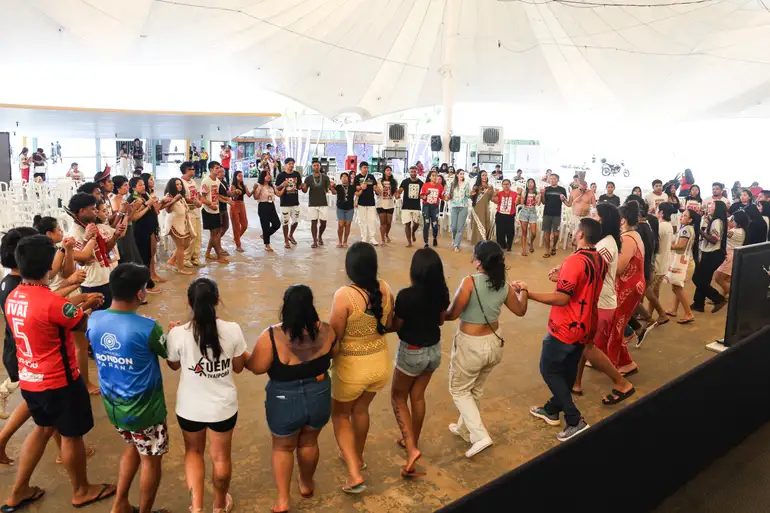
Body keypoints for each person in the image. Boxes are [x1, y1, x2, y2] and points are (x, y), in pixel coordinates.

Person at [2, 235, 114, 512]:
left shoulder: (15, 296)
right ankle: (81, 490)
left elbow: (53, 312)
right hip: (59, 380)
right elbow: (77, 324)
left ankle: (18, 491)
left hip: (31, 378)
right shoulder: (51, 303)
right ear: (48, 266)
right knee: (71, 435)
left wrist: (79, 300)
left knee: (41, 429)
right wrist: (88, 305)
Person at [84, 262, 171, 513]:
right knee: (151, 461)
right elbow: (171, 358)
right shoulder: (147, 328)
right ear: (140, 294)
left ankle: (119, 504)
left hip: (114, 407)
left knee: (132, 446)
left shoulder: (95, 319)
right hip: (145, 411)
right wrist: (173, 334)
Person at [247, 285, 335, 512]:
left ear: (285, 307)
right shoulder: (328, 331)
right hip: (319, 393)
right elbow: (334, 353)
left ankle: (283, 501)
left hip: (284, 398)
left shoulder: (271, 336)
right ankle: (306, 484)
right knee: (309, 442)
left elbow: (257, 367)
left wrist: (244, 356)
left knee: (283, 448)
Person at [167, 278, 247, 513]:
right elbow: (240, 366)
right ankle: (220, 505)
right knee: (221, 458)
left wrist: (171, 333)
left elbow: (172, 365)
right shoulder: (232, 330)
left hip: (189, 408)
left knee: (193, 453)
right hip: (223, 408)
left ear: (188, 303)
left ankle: (197, 506)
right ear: (217, 300)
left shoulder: (178, 333)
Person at [525, 218, 607, 441]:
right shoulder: (600, 259)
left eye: (575, 230)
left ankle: (574, 418)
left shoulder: (574, 261)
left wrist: (529, 294)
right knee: (568, 371)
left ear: (581, 234)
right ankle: (552, 410)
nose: (572, 233)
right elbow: (582, 287)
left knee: (549, 369)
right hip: (587, 325)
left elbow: (562, 298)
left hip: (566, 327)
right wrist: (561, 276)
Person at [443, 241, 527, 457]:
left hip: (471, 346)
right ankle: (464, 428)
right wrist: (524, 290)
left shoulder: (469, 282)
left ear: (479, 261)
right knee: (475, 390)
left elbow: (452, 314)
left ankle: (480, 436)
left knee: (459, 390)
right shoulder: (503, 283)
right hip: (494, 343)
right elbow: (520, 310)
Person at [328, 242, 394, 493]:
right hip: (380, 363)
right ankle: (357, 456)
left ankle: (354, 473)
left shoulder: (344, 295)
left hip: (351, 368)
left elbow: (334, 338)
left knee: (341, 415)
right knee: (361, 410)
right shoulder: (385, 288)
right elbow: (387, 324)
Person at [389, 248, 449, 475]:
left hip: (411, 352)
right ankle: (411, 441)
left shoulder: (406, 296)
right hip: (433, 351)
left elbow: (396, 326)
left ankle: (412, 448)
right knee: (417, 396)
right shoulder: (441, 293)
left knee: (398, 397)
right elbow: (441, 321)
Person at [571, 204, 636, 404]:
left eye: (594, 215)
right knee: (584, 345)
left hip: (601, 302)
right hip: (599, 300)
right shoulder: (605, 241)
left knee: (588, 348)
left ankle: (621, 382)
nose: (591, 218)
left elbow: (590, 271)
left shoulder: (605, 244)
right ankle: (576, 382)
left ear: (603, 220)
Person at [0, 228, 39, 462]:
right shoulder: (18, 287)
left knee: (37, 405)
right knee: (44, 409)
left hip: (16, 350)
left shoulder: (10, 281)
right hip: (23, 353)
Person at [595, 201, 645, 375]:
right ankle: (619, 360)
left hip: (628, 285)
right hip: (631, 284)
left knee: (617, 325)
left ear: (622, 221)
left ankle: (618, 363)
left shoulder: (628, 238)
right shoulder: (633, 235)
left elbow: (619, 268)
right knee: (617, 323)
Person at [68, 192, 124, 310]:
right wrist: (86, 238)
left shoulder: (92, 225)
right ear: (82, 210)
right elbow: (81, 261)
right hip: (93, 282)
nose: (96, 212)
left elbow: (105, 250)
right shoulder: (75, 232)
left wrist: (115, 236)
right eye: (93, 209)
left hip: (106, 277)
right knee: (97, 318)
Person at [692, 200, 728, 313]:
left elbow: (714, 239)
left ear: (717, 208)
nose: (709, 206)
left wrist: (700, 232)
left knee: (697, 278)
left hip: (713, 253)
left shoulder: (717, 221)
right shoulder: (714, 220)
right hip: (711, 252)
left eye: (712, 205)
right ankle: (698, 303)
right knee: (704, 279)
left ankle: (718, 299)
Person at [130, 176, 161, 293]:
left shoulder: (145, 195)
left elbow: (155, 210)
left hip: (149, 229)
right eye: (140, 185)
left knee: (149, 256)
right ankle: (146, 285)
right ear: (133, 188)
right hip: (140, 231)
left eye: (143, 184)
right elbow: (134, 217)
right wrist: (147, 205)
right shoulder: (133, 199)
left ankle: (149, 282)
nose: (143, 186)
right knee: (143, 258)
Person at [162, 177, 193, 275]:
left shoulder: (180, 196)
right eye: (177, 184)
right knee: (181, 246)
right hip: (173, 223)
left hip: (181, 223)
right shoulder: (169, 196)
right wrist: (175, 199)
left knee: (186, 243)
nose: (179, 186)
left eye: (180, 184)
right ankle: (180, 268)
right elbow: (167, 210)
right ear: (172, 186)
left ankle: (171, 261)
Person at [111, 176, 143, 265]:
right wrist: (135, 208)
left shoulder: (123, 198)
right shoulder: (116, 200)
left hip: (129, 229)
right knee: (128, 257)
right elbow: (121, 219)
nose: (127, 187)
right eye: (125, 185)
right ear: (118, 188)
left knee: (133, 256)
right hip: (123, 230)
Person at [715, 210, 748, 297]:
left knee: (718, 278)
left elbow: (723, 235)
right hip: (734, 255)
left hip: (730, 256)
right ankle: (722, 297)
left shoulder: (734, 231)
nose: (731, 220)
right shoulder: (742, 230)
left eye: (733, 219)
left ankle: (735, 298)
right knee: (727, 279)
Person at [140, 173, 166, 287]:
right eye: (150, 179)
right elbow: (154, 209)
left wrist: (163, 201)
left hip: (153, 223)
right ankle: (151, 274)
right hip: (147, 226)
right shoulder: (144, 196)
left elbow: (157, 210)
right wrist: (161, 201)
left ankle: (153, 272)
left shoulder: (149, 194)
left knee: (153, 251)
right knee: (150, 252)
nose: (152, 181)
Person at [200, 161, 228, 264]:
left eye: (219, 167)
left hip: (216, 210)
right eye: (216, 168)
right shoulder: (206, 181)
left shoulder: (217, 181)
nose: (219, 169)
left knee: (215, 234)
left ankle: (208, 253)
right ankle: (219, 256)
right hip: (208, 211)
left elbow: (218, 195)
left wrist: (227, 200)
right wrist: (210, 204)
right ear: (211, 169)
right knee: (215, 234)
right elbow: (202, 198)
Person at [302, 161, 332, 248]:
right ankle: (315, 241)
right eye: (314, 165)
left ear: (320, 167)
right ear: (312, 167)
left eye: (317, 165)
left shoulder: (326, 178)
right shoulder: (308, 178)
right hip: (312, 203)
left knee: (323, 223)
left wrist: (332, 188)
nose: (316, 167)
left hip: (323, 202)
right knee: (314, 222)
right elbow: (305, 190)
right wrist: (302, 187)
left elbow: (328, 190)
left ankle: (320, 236)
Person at [179, 161, 203, 267]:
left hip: (196, 212)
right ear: (185, 170)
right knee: (190, 237)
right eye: (191, 169)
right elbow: (181, 197)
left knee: (198, 236)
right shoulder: (180, 182)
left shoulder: (193, 181)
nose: (193, 171)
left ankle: (195, 257)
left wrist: (199, 200)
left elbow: (197, 194)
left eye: (194, 169)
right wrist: (193, 201)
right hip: (188, 213)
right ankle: (185, 258)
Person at [275, 158, 302, 249]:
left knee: (295, 221)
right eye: (289, 164)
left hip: (295, 202)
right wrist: (282, 185)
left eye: (292, 164)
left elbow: (299, 186)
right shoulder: (281, 175)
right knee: (285, 222)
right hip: (285, 203)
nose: (291, 165)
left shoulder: (297, 174)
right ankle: (286, 240)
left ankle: (291, 234)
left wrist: (302, 186)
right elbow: (277, 189)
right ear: (285, 165)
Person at [541, 173, 568, 258]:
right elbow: (543, 202)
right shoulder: (546, 189)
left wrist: (563, 199)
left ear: (558, 180)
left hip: (557, 214)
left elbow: (565, 201)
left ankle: (554, 246)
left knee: (556, 234)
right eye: (551, 178)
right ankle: (547, 250)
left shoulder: (562, 189)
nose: (552, 180)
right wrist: (542, 194)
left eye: (554, 178)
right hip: (547, 213)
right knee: (546, 233)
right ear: (549, 179)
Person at [254, 167, 281, 252]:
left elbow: (279, 194)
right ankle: (267, 245)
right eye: (267, 174)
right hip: (263, 206)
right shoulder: (259, 185)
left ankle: (265, 235)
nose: (269, 176)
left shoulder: (271, 186)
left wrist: (284, 186)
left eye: (269, 174)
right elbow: (255, 197)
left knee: (277, 224)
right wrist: (256, 190)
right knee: (265, 226)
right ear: (263, 176)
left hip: (271, 206)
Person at [353, 162, 380, 246]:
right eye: (364, 167)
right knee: (362, 221)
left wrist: (377, 189)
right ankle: (364, 237)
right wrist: (361, 187)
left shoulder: (371, 177)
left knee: (372, 220)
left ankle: (372, 238)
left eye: (367, 167)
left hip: (371, 202)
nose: (366, 169)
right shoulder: (357, 177)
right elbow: (355, 188)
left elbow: (375, 186)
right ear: (360, 168)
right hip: (361, 202)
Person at [446, 169, 472, 252]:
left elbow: (468, 195)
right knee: (453, 227)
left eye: (463, 174)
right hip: (454, 207)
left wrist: (472, 194)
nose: (462, 175)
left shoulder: (466, 184)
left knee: (460, 228)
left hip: (463, 207)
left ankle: (456, 245)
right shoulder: (452, 184)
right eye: (460, 174)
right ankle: (454, 240)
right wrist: (446, 196)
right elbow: (449, 195)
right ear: (457, 175)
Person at [398, 166, 424, 248]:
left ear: (417, 172)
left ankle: (413, 232)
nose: (413, 173)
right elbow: (400, 190)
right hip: (406, 206)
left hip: (416, 206)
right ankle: (409, 242)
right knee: (407, 224)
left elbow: (422, 194)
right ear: (409, 172)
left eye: (414, 171)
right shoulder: (405, 181)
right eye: (411, 171)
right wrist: (397, 192)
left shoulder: (420, 183)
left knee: (416, 223)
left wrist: (425, 195)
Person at [491, 179, 517, 252]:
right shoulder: (499, 193)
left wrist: (520, 196)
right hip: (500, 215)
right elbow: (493, 200)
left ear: (510, 185)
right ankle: (501, 245)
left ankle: (509, 245)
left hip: (510, 215)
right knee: (500, 232)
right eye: (504, 184)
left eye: (507, 184)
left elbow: (517, 203)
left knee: (510, 232)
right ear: (502, 185)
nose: (506, 185)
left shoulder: (514, 193)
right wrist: (494, 194)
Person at [420, 170, 443, 248]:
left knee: (435, 224)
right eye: (433, 175)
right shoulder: (425, 185)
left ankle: (434, 237)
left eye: (436, 175)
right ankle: (426, 242)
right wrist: (426, 194)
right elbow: (421, 196)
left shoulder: (440, 186)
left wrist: (446, 197)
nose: (434, 177)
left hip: (435, 207)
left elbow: (441, 196)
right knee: (426, 224)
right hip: (426, 206)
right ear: (429, 177)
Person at [332, 171, 356, 248]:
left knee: (348, 225)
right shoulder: (338, 186)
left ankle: (345, 241)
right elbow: (334, 192)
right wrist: (331, 187)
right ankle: (339, 241)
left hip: (350, 208)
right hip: (340, 208)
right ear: (340, 179)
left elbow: (358, 193)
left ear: (348, 178)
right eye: (343, 177)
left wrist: (362, 188)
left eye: (346, 177)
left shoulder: (352, 187)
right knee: (341, 225)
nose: (344, 178)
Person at [229, 170, 251, 252]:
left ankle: (236, 238)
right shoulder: (233, 186)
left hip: (242, 205)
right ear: (235, 177)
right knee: (236, 227)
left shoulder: (244, 185)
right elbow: (233, 198)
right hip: (234, 205)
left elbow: (249, 195)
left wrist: (254, 189)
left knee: (245, 225)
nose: (241, 177)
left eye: (242, 176)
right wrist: (236, 193)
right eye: (239, 176)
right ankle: (238, 245)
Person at [517, 178, 540, 256]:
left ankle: (531, 242)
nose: (530, 184)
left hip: (533, 212)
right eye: (529, 182)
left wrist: (537, 200)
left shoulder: (537, 193)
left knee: (534, 233)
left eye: (532, 182)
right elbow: (521, 203)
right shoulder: (524, 192)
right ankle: (524, 250)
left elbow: (539, 203)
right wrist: (520, 195)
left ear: (534, 184)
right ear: (527, 184)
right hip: (524, 212)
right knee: (524, 232)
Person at [376, 166, 398, 245]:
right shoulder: (379, 181)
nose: (389, 172)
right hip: (380, 204)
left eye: (390, 170)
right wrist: (376, 190)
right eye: (387, 170)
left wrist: (397, 194)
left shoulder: (394, 182)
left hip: (390, 204)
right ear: (384, 171)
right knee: (383, 223)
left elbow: (396, 193)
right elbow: (376, 191)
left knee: (389, 222)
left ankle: (386, 234)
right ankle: (382, 239)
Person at [470, 171, 494, 244]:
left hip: (486, 208)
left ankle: (484, 243)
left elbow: (491, 198)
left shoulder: (490, 187)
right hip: (477, 208)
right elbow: (472, 197)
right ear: (480, 176)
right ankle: (477, 243)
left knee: (486, 224)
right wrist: (472, 193)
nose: (484, 177)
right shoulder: (476, 186)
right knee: (477, 226)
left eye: (486, 175)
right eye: (483, 175)